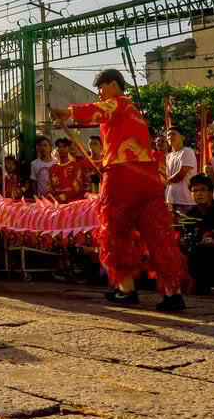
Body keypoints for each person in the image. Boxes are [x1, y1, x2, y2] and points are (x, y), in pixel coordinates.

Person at [51, 69, 187, 312]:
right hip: (148, 178)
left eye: (101, 88)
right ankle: (173, 293)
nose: (100, 95)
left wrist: (66, 112)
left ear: (113, 85)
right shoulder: (136, 114)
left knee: (116, 232)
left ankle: (126, 289)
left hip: (122, 176)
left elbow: (96, 110)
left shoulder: (116, 105)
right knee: (159, 235)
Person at [163, 126, 197, 215]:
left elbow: (181, 175)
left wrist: (164, 182)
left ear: (182, 137)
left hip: (185, 201)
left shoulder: (187, 151)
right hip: (171, 199)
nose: (170, 137)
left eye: (173, 134)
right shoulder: (168, 156)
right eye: (168, 135)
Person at [49, 136, 90, 204]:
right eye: (59, 147)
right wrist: (50, 198)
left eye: (64, 147)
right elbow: (49, 187)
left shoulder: (75, 166)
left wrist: (60, 198)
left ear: (68, 148)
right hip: (56, 204)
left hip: (72, 204)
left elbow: (76, 188)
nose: (61, 149)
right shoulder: (52, 168)